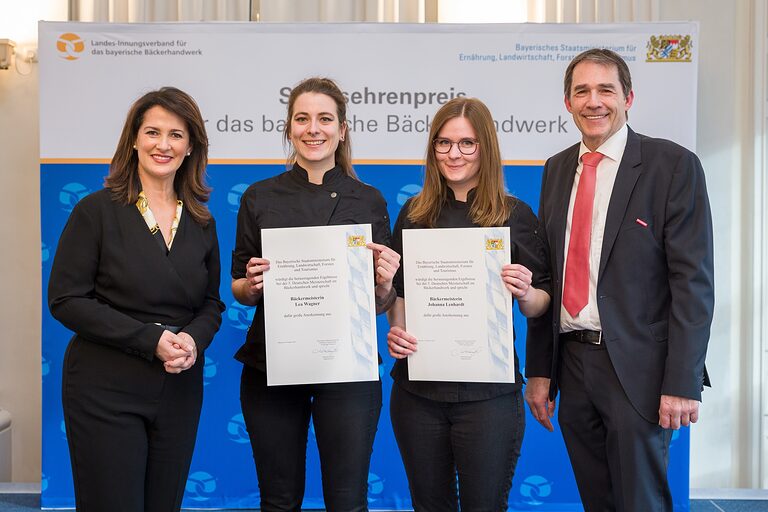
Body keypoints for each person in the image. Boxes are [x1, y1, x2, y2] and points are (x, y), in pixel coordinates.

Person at [525, 48, 715, 511]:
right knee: (598, 500)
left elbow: (693, 283)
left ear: (628, 97)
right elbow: (548, 274)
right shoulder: (555, 170)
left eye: (606, 89)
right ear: (567, 103)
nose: (594, 102)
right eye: (581, 91)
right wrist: (540, 371)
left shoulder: (672, 166)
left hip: (639, 369)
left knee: (641, 502)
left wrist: (682, 381)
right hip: (572, 361)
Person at [48, 87, 225, 512]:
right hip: (104, 387)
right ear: (133, 139)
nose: (163, 144)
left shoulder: (201, 220)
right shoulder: (96, 211)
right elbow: (66, 299)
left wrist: (192, 342)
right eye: (153, 132)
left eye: (176, 135)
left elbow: (212, 304)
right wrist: (150, 339)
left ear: (191, 147)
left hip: (178, 389)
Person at [231, 77, 400, 512]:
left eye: (325, 119)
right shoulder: (259, 197)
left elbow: (380, 305)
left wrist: (383, 283)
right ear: (289, 129)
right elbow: (239, 289)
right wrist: (251, 284)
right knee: (279, 499)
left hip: (348, 367)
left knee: (347, 502)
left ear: (342, 129)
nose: (313, 129)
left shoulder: (369, 201)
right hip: (272, 363)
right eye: (302, 119)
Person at [386, 97, 551, 511]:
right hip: (418, 393)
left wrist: (527, 290)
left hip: (488, 398)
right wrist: (398, 330)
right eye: (443, 143)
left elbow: (540, 305)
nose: (453, 153)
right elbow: (400, 292)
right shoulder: (414, 213)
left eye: (466, 144)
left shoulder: (515, 215)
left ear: (486, 148)